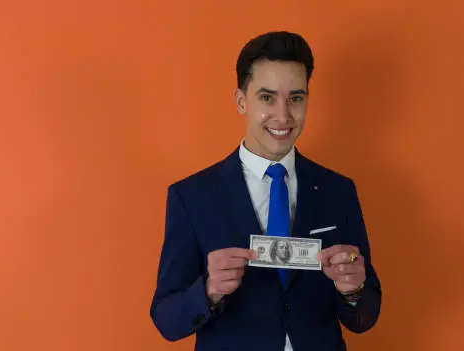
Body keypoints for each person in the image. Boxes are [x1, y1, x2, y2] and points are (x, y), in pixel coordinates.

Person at [149, 31, 381, 351]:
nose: (283, 116)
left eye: (296, 98)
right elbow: (165, 318)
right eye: (267, 97)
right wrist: (208, 291)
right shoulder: (192, 197)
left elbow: (366, 316)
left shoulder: (337, 190)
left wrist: (353, 290)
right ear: (241, 101)